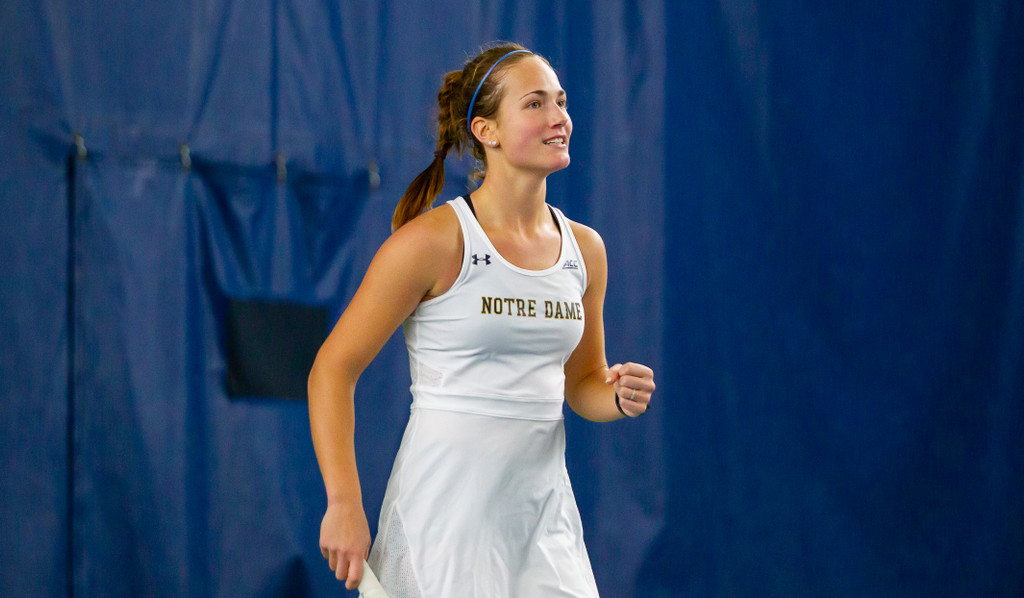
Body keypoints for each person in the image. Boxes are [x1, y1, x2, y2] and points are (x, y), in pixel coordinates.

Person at [308, 41, 656, 597]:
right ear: (485, 130)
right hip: (441, 529)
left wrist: (614, 394)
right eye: (535, 103)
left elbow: (582, 384)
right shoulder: (432, 243)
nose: (559, 117)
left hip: (545, 528)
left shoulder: (586, 250)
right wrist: (343, 502)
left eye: (561, 101)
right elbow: (332, 369)